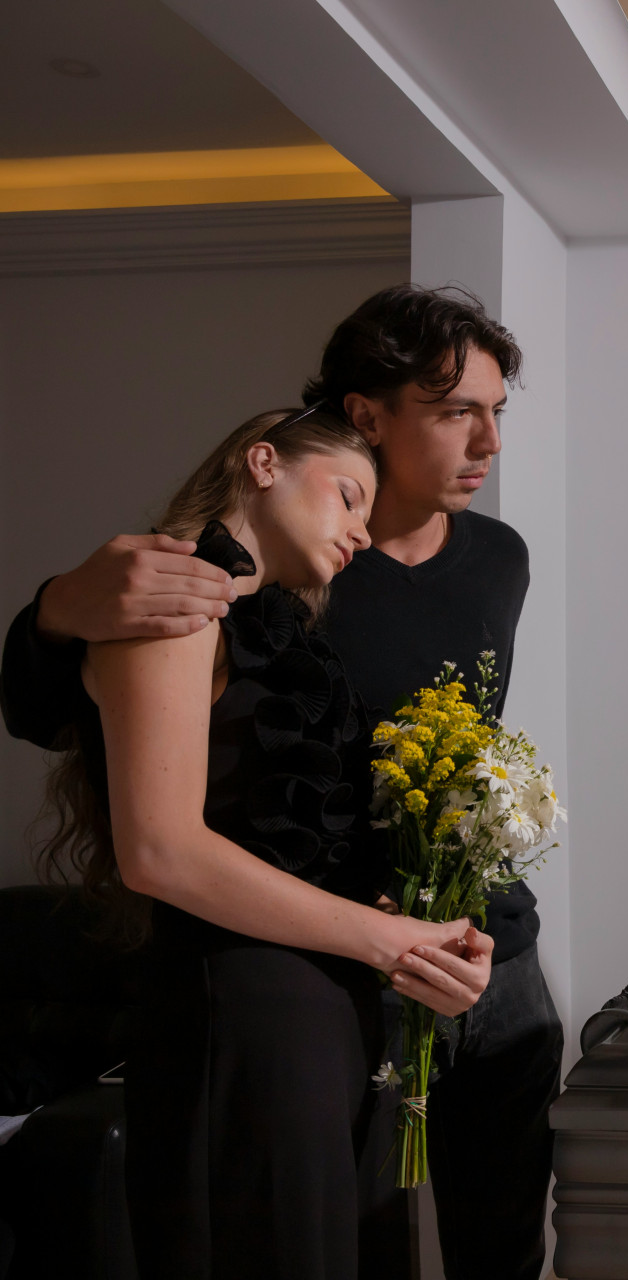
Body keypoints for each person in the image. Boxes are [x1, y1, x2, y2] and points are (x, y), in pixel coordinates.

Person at [1, 285, 561, 1280]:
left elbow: (421, 779)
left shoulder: (490, 563)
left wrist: (444, 922)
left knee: (473, 1243)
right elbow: (125, 788)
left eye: (495, 412)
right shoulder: (228, 589)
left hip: (437, 953)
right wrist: (55, 608)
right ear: (364, 416)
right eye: (453, 411)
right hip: (313, 972)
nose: (488, 442)